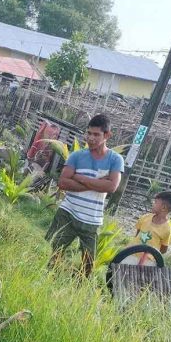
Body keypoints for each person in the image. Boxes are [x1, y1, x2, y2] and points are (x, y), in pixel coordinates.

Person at [46, 114, 125, 277]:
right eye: (89, 133)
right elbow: (63, 183)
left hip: (92, 219)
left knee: (88, 263)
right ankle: (52, 280)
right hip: (68, 212)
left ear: (107, 135)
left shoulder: (115, 160)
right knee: (54, 251)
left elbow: (111, 187)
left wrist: (79, 177)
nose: (91, 138)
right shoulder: (76, 156)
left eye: (96, 134)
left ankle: (77, 286)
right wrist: (97, 183)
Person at [131, 191, 171, 262]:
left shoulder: (167, 229)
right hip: (131, 253)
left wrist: (150, 255)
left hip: (146, 262)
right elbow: (137, 235)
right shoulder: (145, 218)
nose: (153, 204)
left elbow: (163, 249)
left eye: (155, 202)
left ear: (163, 208)